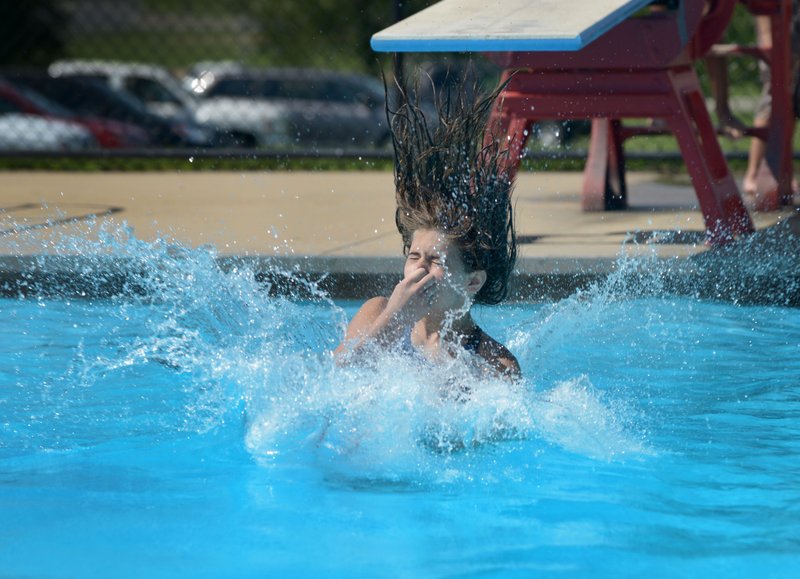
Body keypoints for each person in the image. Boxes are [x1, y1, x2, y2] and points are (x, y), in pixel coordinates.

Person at [334, 79, 521, 380]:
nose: (419, 270)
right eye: (414, 256)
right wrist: (395, 320)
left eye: (435, 261)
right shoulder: (377, 312)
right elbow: (336, 377)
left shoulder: (496, 363)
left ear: (472, 282)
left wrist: (445, 368)